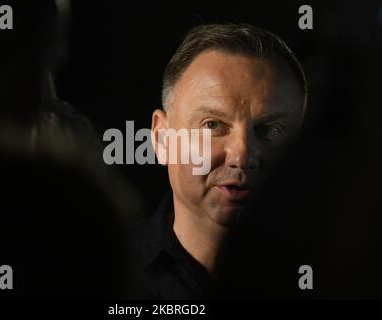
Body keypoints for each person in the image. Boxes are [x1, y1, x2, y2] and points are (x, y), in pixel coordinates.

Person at [129, 23, 308, 299]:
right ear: (163, 139)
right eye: (212, 124)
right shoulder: (97, 273)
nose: (241, 156)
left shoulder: (347, 277)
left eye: (270, 130)